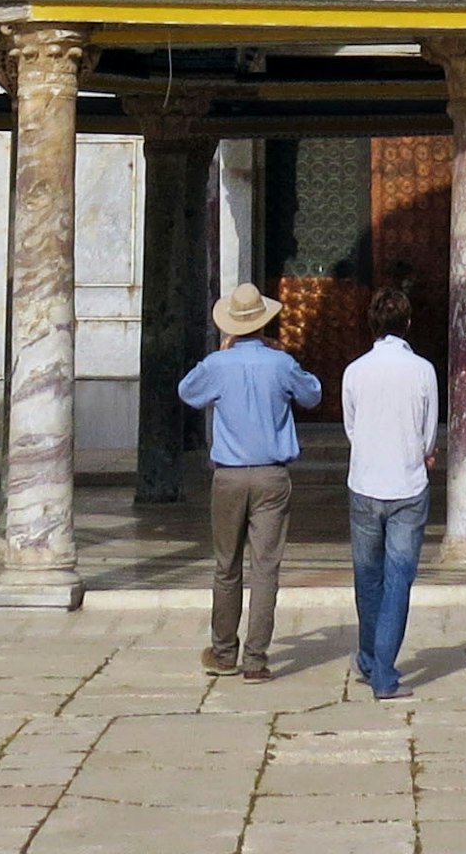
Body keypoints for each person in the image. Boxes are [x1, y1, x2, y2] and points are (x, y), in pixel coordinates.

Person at [178, 283, 321, 682]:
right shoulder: (281, 362)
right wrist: (282, 359)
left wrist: (219, 358)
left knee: (226, 566)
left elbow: (187, 392)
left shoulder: (217, 365)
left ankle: (224, 651)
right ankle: (256, 659)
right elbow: (312, 394)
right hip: (272, 476)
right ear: (263, 323)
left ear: (231, 327)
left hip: (228, 475)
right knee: (265, 568)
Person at [338, 283, 440, 702]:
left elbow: (350, 427)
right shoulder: (423, 371)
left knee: (368, 577)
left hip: (364, 483)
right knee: (398, 579)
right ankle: (382, 672)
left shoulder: (354, 371)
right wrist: (423, 452)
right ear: (409, 324)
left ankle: (369, 657)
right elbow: (430, 429)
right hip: (407, 485)